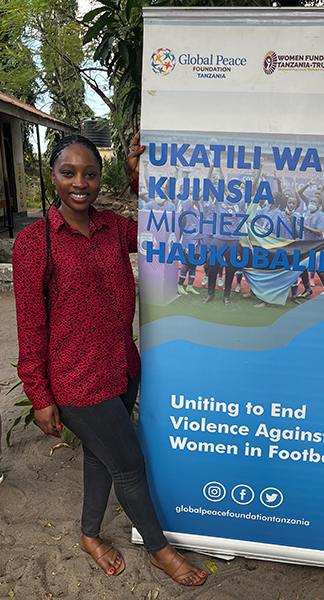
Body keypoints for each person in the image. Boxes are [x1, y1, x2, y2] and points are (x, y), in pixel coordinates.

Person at [12, 133, 207, 587]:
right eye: (68, 173)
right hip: (78, 383)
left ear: (101, 178)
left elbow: (162, 230)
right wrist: (39, 395)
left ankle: (90, 536)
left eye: (90, 173)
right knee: (130, 466)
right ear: (53, 177)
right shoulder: (34, 242)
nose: (80, 183)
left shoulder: (113, 228)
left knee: (101, 459)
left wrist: (139, 178)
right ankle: (162, 552)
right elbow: (30, 326)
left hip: (122, 368)